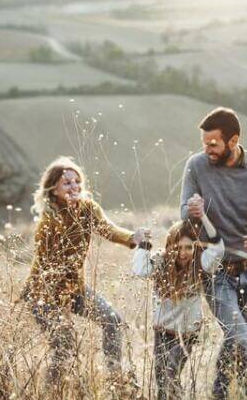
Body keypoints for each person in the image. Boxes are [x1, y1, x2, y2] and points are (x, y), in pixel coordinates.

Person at [20, 156, 150, 390]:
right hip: (43, 293)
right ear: (53, 189)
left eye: (77, 181)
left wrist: (133, 238)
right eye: (67, 183)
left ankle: (115, 379)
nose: (74, 187)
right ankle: (52, 392)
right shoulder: (48, 220)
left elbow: (107, 229)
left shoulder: (88, 208)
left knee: (113, 321)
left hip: (74, 289)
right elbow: (51, 263)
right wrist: (61, 308)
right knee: (64, 343)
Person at [180, 107, 247, 398]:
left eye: (213, 143)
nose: (207, 149)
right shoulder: (196, 165)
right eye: (204, 143)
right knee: (240, 336)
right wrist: (193, 213)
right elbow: (182, 214)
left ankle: (219, 393)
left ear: (233, 140)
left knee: (236, 339)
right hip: (214, 266)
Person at [132, 216, 225, 399]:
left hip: (187, 334)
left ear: (195, 247)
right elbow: (140, 270)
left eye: (188, 247)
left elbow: (218, 250)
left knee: (170, 374)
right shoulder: (160, 261)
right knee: (162, 380)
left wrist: (205, 220)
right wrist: (144, 245)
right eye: (178, 247)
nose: (183, 253)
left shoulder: (199, 264)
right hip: (162, 331)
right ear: (170, 246)